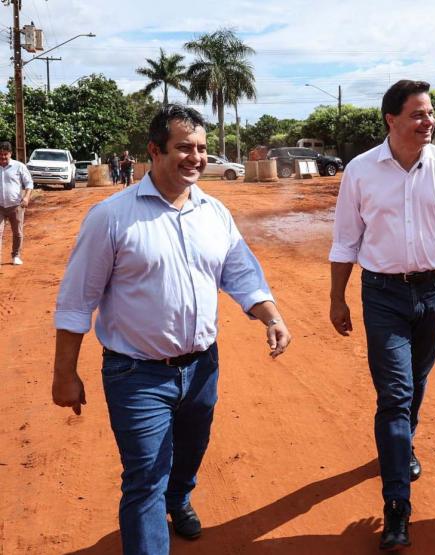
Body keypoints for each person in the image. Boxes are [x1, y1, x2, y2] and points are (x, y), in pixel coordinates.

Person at [52, 104, 291, 554]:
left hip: (202, 368)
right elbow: (76, 301)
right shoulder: (112, 216)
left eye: (201, 148)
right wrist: (65, 372)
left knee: (189, 452)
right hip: (136, 374)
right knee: (144, 480)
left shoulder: (215, 213)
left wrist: (271, 316)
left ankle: (179, 498)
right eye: (183, 147)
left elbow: (241, 275)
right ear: (154, 151)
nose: (195, 157)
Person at [329, 79, 435, 551]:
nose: (428, 121)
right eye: (418, 114)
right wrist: (337, 298)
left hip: (434, 291)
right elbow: (345, 240)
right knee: (395, 394)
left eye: (430, 113)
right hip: (381, 293)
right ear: (391, 120)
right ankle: (397, 506)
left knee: (415, 384)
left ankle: (401, 447)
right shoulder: (360, 171)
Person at [0, 140, 34, 266]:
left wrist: (26, 197)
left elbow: (29, 183)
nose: (3, 157)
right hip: (0, 206)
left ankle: (16, 255)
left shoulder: (19, 166)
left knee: (17, 232)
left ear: (10, 153)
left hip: (16, 205)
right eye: (0, 154)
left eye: (5, 154)